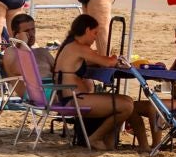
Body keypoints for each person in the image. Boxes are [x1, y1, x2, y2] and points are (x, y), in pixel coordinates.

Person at [50, 14, 143, 150]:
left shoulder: (69, 46)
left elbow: (91, 60)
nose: (95, 38)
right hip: (74, 100)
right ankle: (95, 138)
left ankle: (109, 142)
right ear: (87, 30)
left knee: (128, 101)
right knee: (126, 106)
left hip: (71, 97)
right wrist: (116, 58)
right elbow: (107, 62)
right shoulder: (79, 47)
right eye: (94, 33)